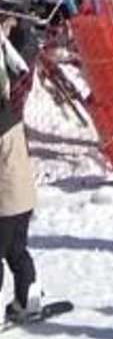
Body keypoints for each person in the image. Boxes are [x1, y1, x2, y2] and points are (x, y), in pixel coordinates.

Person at [1, 32, 41, 322]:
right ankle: (29, 301)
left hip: (4, 202)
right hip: (23, 198)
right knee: (17, 252)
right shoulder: (13, 116)